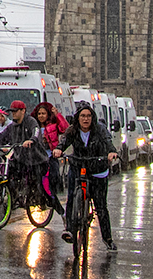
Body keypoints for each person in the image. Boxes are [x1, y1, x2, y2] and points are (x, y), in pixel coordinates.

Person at [56, 102, 119, 251]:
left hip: (97, 168)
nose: (86, 119)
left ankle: (107, 239)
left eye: (88, 116)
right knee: (71, 198)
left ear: (93, 117)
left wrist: (111, 152)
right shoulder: (73, 131)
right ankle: (70, 230)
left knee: (101, 206)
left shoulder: (100, 130)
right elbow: (64, 142)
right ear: (78, 118)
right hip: (78, 166)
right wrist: (58, 149)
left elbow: (108, 142)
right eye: (83, 116)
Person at [30, 101, 66, 215]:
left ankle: (56, 204)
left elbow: (65, 128)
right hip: (36, 158)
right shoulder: (33, 126)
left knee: (49, 183)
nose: (41, 116)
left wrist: (58, 115)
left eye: (43, 113)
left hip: (50, 157)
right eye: (39, 113)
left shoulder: (52, 125)